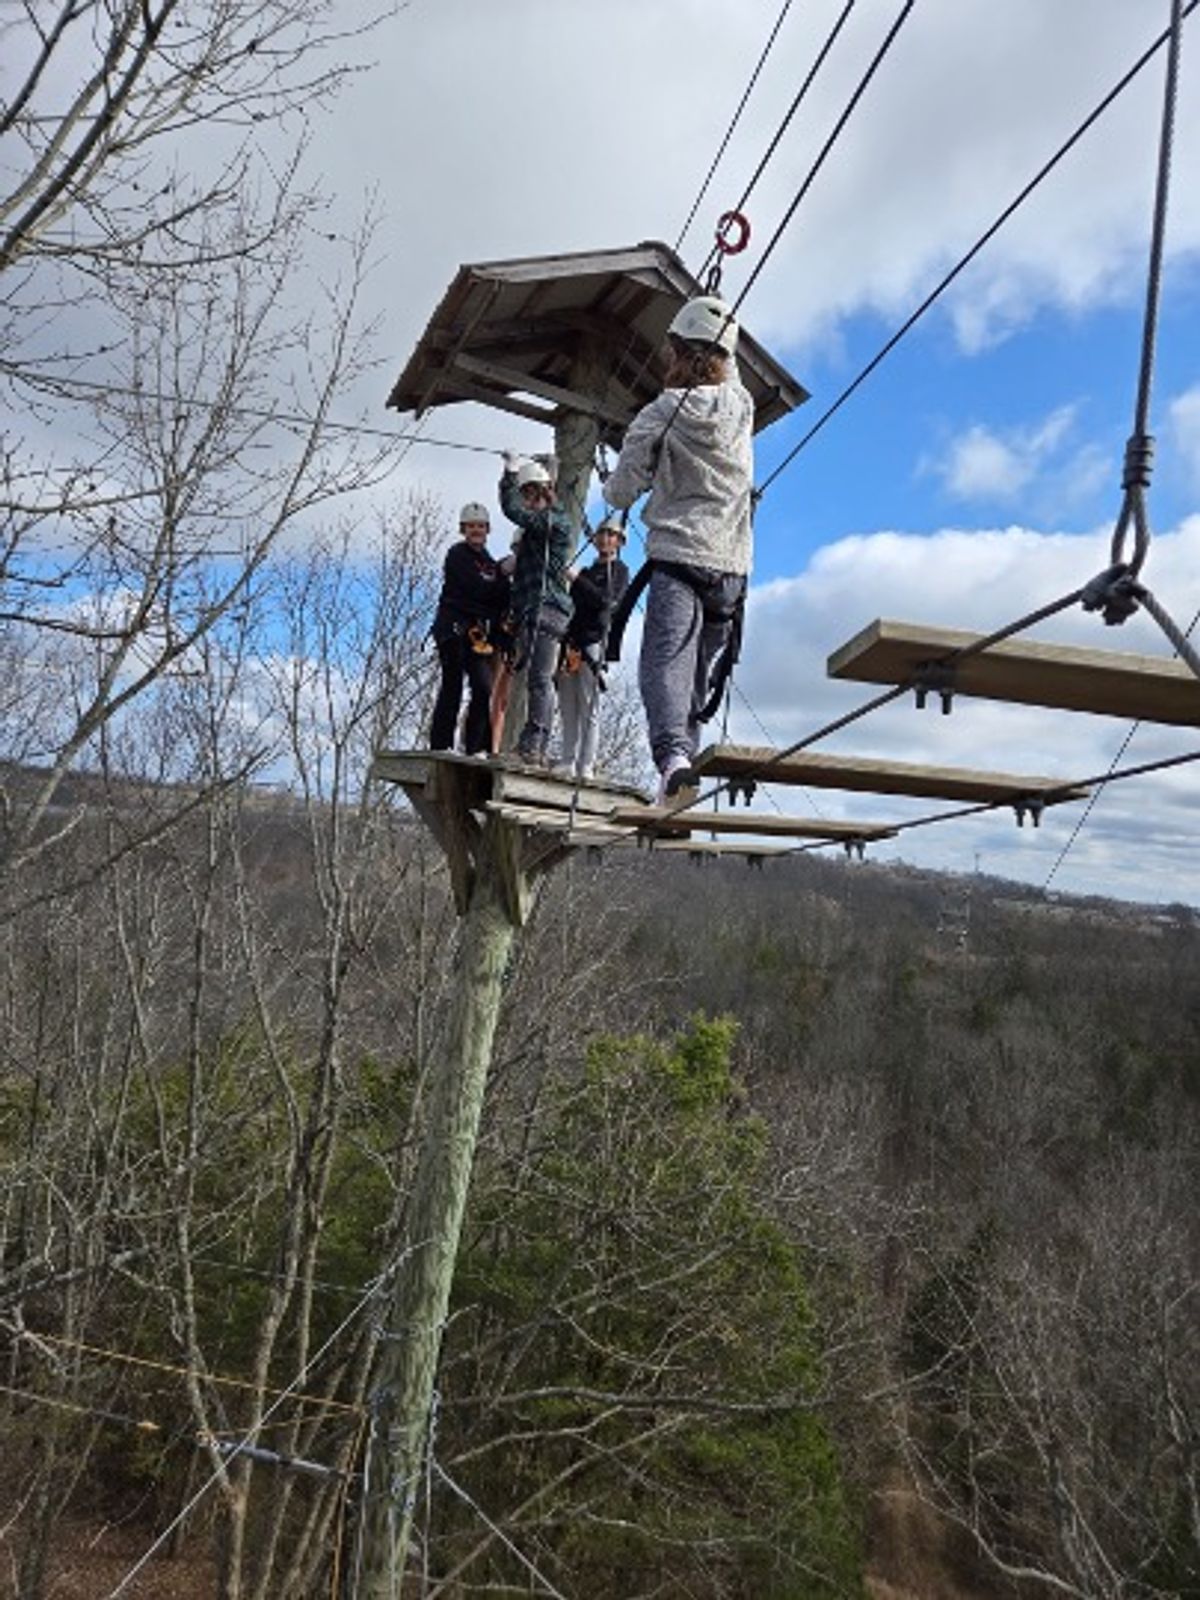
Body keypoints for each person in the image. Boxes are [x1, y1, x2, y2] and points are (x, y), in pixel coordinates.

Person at [602, 295, 753, 803]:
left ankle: (672, 762)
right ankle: (681, 771)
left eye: (671, 353)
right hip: (731, 569)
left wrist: (615, 480)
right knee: (696, 677)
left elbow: (622, 491)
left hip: (679, 559)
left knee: (664, 666)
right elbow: (725, 376)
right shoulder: (742, 406)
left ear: (682, 355)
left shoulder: (661, 413)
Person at [498, 453, 575, 767]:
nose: (526, 501)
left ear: (543, 492)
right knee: (534, 678)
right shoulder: (535, 530)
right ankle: (531, 743)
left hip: (549, 609)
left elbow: (512, 510)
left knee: (541, 679)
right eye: (525, 494)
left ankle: (535, 745)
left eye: (529, 494)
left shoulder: (554, 520)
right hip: (533, 609)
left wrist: (510, 475)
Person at [428, 501, 510, 756]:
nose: (476, 530)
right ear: (464, 529)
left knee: (483, 686)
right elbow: (477, 589)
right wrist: (501, 577)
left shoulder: (488, 563)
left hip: (476, 634)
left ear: (487, 530)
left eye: (481, 526)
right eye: (472, 526)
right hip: (452, 628)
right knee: (452, 684)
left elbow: (500, 600)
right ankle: (441, 744)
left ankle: (477, 748)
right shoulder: (458, 555)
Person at [555, 515, 630, 780]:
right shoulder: (587, 572)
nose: (605, 540)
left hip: (594, 642)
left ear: (619, 541)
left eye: (611, 536)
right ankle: (567, 759)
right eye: (602, 535)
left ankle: (586, 764)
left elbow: (606, 601)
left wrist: (576, 580)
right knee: (568, 704)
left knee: (589, 706)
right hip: (572, 642)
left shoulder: (619, 571)